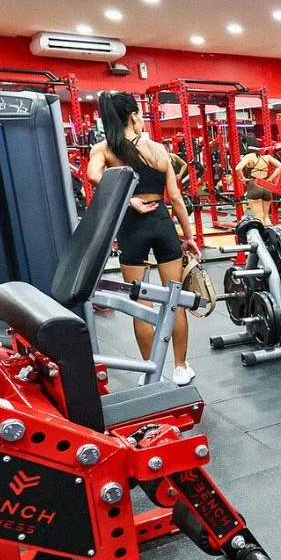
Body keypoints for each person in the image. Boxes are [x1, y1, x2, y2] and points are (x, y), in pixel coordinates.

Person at [86, 91, 200, 386]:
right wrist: (189, 238)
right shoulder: (159, 150)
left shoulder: (106, 148)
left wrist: (128, 199)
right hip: (162, 224)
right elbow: (175, 198)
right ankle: (181, 366)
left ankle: (153, 372)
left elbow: (92, 176)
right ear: (134, 116)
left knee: (141, 305)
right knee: (173, 301)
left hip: (132, 228)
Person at [236, 147, 281, 224]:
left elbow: (238, 168)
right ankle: (270, 235)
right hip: (266, 186)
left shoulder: (249, 156)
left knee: (258, 216)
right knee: (266, 216)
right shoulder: (267, 157)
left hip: (254, 185)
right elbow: (280, 165)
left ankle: (262, 236)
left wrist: (243, 178)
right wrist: (271, 178)